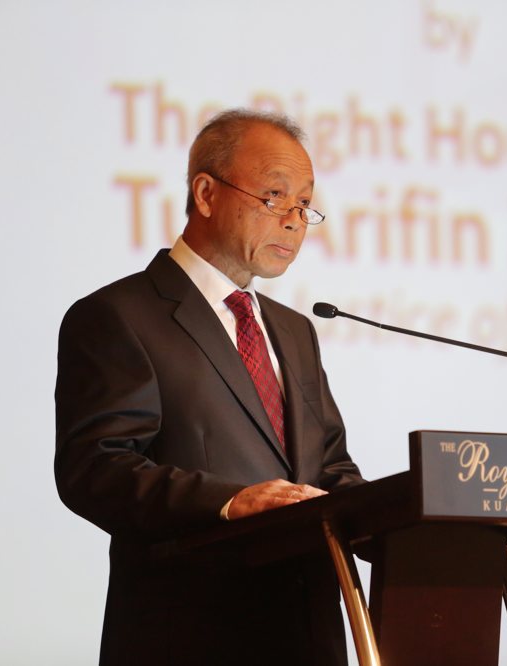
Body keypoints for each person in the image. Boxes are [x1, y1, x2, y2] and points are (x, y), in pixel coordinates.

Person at [54, 109, 363, 665]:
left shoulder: (294, 332)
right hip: (189, 635)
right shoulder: (119, 316)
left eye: (304, 203)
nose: (294, 220)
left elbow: (330, 471)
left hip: (307, 638)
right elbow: (94, 469)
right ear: (205, 193)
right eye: (275, 195)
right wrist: (227, 502)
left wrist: (438, 523)